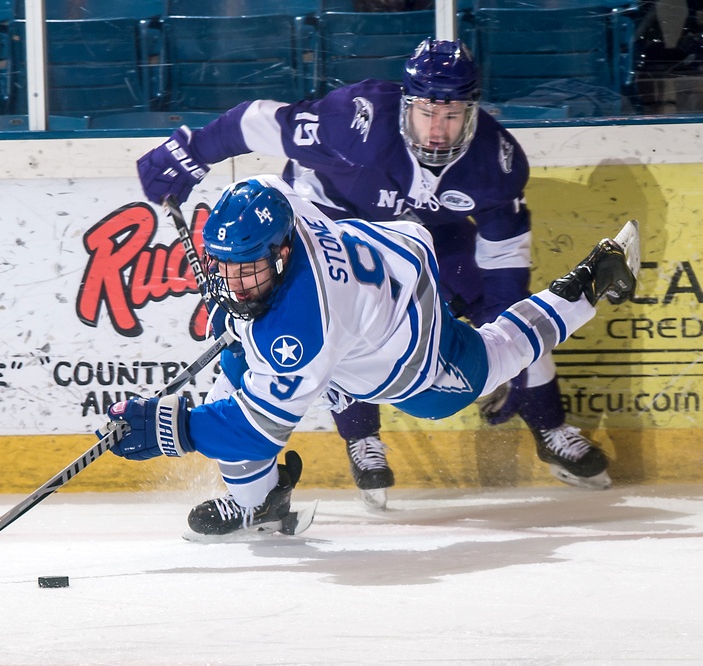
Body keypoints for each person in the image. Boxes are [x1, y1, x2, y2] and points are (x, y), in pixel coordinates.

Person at [136, 38, 613, 510]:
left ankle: (549, 425)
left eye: (452, 115)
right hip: (334, 225)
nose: (438, 131)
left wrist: (513, 367)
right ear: (407, 104)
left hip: (426, 240)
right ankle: (361, 438)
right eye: (428, 112)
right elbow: (261, 122)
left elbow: (505, 264)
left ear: (473, 111)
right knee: (339, 325)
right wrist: (192, 150)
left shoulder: (495, 159)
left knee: (504, 317)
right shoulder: (354, 122)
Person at [102, 176, 639, 537]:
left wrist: (171, 428)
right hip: (391, 254)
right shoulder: (268, 198)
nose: (236, 282)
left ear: (281, 251)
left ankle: (590, 283)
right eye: (228, 268)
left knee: (492, 359)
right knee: (239, 367)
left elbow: (255, 432)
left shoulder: (301, 329)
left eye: (249, 270)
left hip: (411, 343)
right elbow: (261, 192)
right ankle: (260, 506)